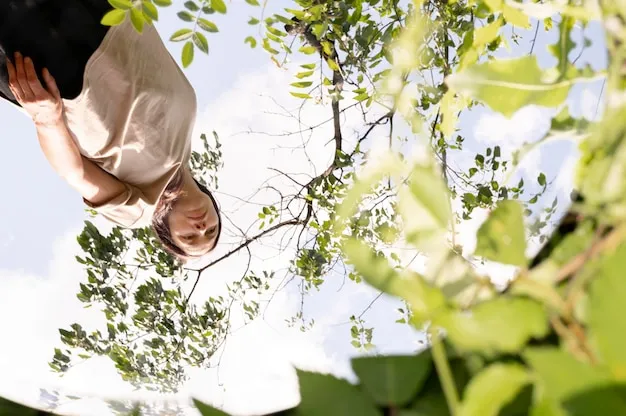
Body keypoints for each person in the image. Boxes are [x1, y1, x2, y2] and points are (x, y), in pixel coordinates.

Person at [0, 0, 221, 260]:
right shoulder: (184, 139)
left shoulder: (140, 209)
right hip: (105, 16)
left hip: (59, 75)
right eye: (211, 230)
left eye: (189, 237)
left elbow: (75, 172)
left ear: (165, 230)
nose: (201, 227)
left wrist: (46, 118)